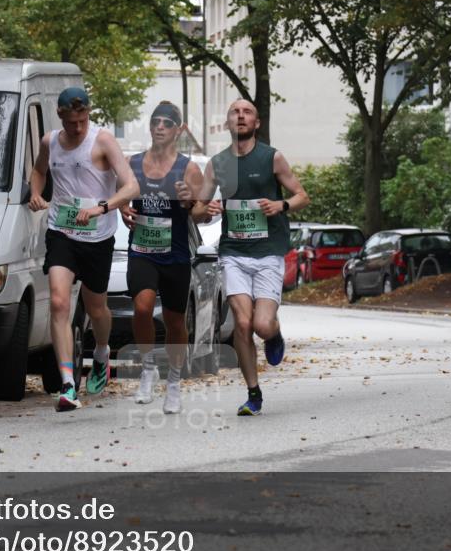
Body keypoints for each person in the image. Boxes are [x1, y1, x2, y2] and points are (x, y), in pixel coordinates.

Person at [29, 87, 139, 411]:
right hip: (61, 230)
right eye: (72, 122)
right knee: (60, 302)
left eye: (83, 120)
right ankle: (67, 385)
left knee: (96, 309)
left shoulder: (102, 140)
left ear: (88, 113)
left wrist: (103, 208)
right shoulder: (50, 142)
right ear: (60, 116)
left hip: (98, 236)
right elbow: (38, 170)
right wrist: (36, 193)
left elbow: (131, 184)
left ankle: (102, 352)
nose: (78, 128)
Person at [198, 99, 310, 416]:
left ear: (256, 123)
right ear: (228, 123)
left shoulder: (271, 158)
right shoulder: (217, 164)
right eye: (235, 111)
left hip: (268, 252)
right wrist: (205, 210)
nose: (241, 116)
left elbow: (302, 195)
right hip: (233, 252)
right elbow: (195, 210)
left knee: (261, 324)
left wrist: (282, 206)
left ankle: (274, 335)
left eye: (247, 112)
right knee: (243, 324)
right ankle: (253, 393)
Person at [121, 102, 207, 414]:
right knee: (142, 308)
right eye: (156, 121)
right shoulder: (132, 164)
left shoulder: (188, 168)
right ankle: (148, 368)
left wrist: (190, 202)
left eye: (167, 123)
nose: (160, 126)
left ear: (178, 129)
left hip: (175, 253)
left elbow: (200, 213)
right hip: (142, 250)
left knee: (174, 320)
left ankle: (173, 381)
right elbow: (120, 194)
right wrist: (122, 209)